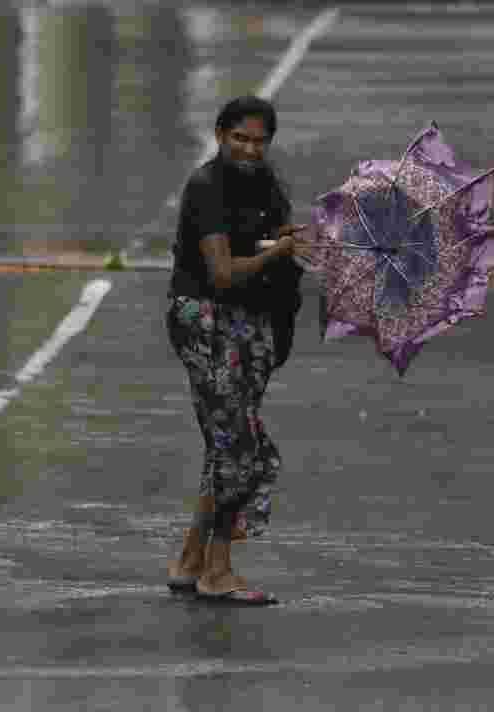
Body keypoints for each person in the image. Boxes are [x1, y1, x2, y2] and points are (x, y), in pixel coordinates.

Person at [165, 96, 306, 600]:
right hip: (205, 321)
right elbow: (222, 273)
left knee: (224, 441)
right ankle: (217, 571)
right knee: (238, 445)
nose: (248, 149)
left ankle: (189, 560)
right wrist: (277, 254)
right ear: (220, 134)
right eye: (239, 138)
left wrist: (284, 238)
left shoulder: (265, 186)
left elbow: (262, 240)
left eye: (258, 141)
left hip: (249, 324)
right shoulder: (206, 188)